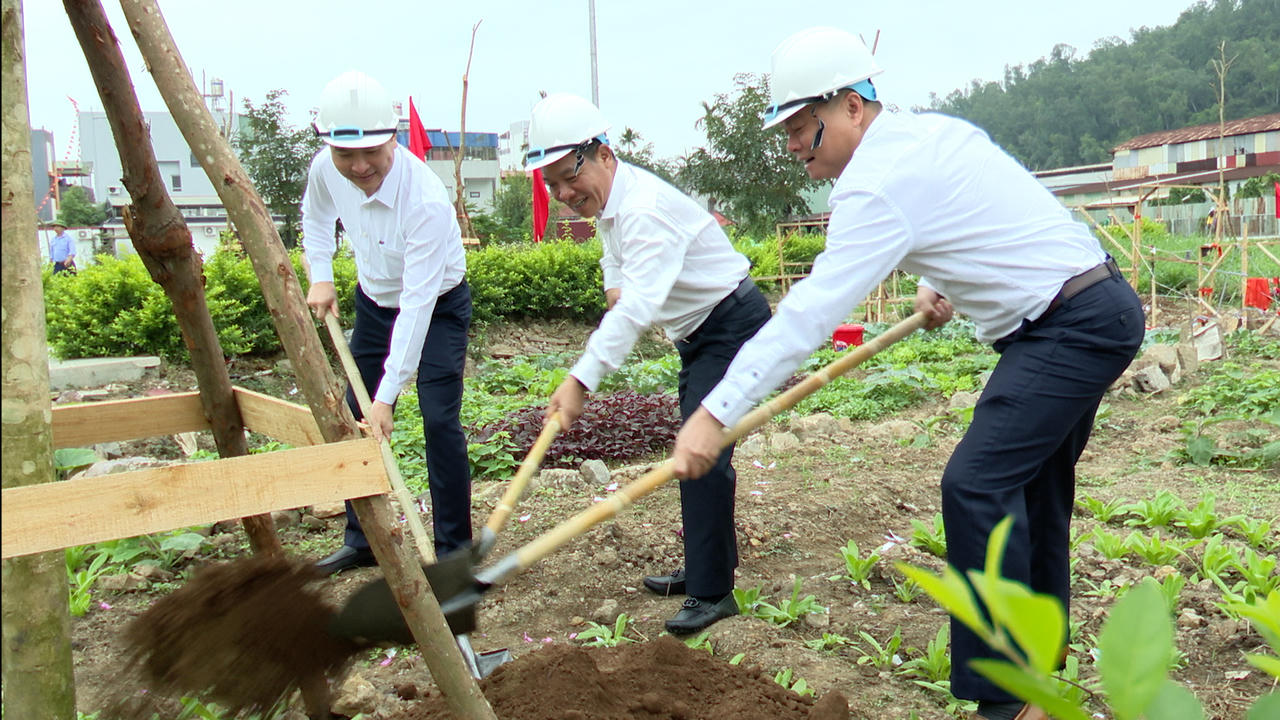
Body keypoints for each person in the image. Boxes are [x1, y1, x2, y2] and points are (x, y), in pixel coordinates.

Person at [672, 27, 1144, 720]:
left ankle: (1009, 702)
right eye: (788, 133)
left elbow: (808, 314)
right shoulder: (929, 136)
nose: (794, 147)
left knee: (976, 485)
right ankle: (1039, 682)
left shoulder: (876, 184)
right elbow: (990, 215)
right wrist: (939, 278)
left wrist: (715, 411)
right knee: (1032, 491)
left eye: (802, 129)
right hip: (1092, 306)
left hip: (1069, 328)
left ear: (851, 106)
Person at [527, 93, 772, 635]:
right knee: (697, 447)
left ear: (604, 154)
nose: (565, 194)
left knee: (701, 453)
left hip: (729, 325)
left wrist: (580, 380)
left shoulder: (643, 209)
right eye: (552, 184)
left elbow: (637, 308)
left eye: (570, 176)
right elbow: (616, 262)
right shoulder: (614, 202)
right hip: (699, 332)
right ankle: (707, 566)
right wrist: (616, 287)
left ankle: (713, 593)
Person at [302, 70, 473, 573]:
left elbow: (417, 306)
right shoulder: (325, 169)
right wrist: (321, 275)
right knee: (356, 413)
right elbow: (316, 218)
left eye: (371, 153)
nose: (358, 166)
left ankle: (453, 555)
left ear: (393, 138)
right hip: (374, 302)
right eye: (345, 154)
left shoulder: (425, 200)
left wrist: (389, 395)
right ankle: (364, 540)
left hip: (437, 307)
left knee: (439, 419)